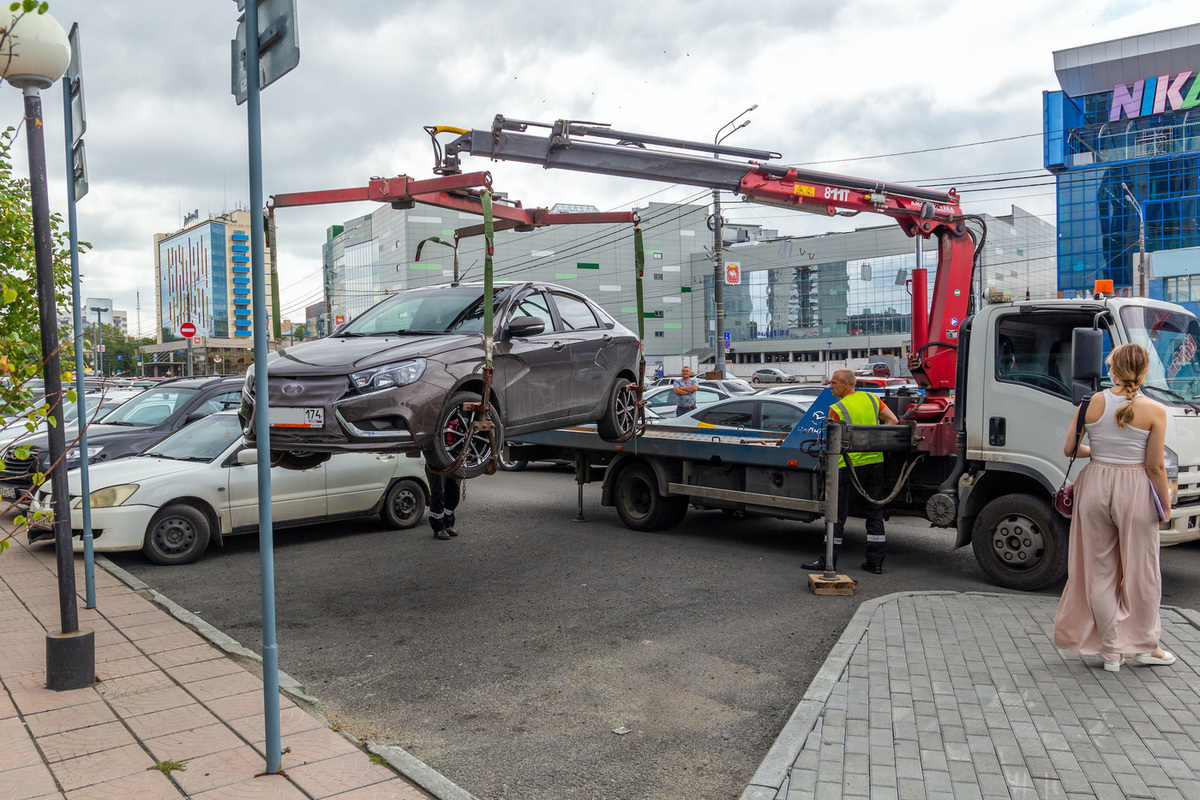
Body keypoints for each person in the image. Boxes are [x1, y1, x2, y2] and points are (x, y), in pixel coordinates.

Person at [1054, 343, 1176, 673]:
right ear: (1143, 371)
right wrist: (1164, 504)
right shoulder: (1155, 410)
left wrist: (1102, 451)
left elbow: (1069, 448)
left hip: (1094, 485)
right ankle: (1143, 646)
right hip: (1135, 489)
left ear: (1113, 368)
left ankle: (1111, 654)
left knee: (1099, 571)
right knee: (1142, 571)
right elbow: (1155, 467)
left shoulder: (1091, 402)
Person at [804, 369, 899, 574]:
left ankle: (828, 560)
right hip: (875, 464)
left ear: (846, 384)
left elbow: (832, 443)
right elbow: (893, 421)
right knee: (875, 513)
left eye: (834, 383)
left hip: (847, 467)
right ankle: (875, 563)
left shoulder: (837, 408)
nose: (830, 386)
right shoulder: (872, 399)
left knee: (836, 515)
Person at [425, 463, 464, 541]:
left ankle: (448, 524)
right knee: (438, 493)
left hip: (451, 462)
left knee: (454, 493)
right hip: (435, 464)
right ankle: (438, 528)